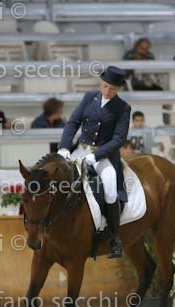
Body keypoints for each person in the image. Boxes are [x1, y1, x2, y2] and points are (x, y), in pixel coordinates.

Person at [58, 66, 131, 258]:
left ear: (118, 89)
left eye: (112, 89)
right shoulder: (90, 97)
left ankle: (114, 238)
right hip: (80, 150)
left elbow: (118, 139)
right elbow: (73, 122)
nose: (107, 91)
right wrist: (64, 147)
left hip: (103, 156)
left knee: (110, 189)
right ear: (102, 83)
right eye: (105, 86)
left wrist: (96, 156)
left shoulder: (123, 108)